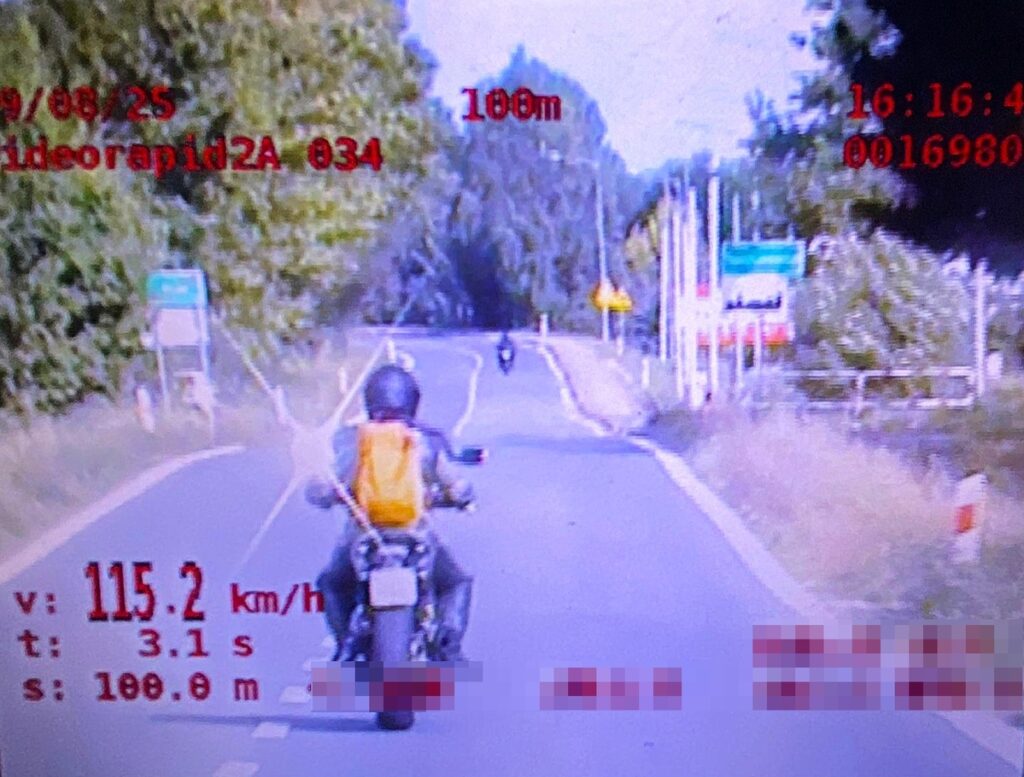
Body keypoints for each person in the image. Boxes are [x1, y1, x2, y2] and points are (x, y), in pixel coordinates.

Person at [305, 364, 475, 662]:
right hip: (416, 534)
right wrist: (457, 498)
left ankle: (345, 645)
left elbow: (326, 486)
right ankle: (449, 645)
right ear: (412, 400)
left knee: (332, 583)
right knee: (456, 582)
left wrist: (324, 494)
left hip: (363, 536)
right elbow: (458, 487)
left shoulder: (354, 439)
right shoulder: (425, 440)